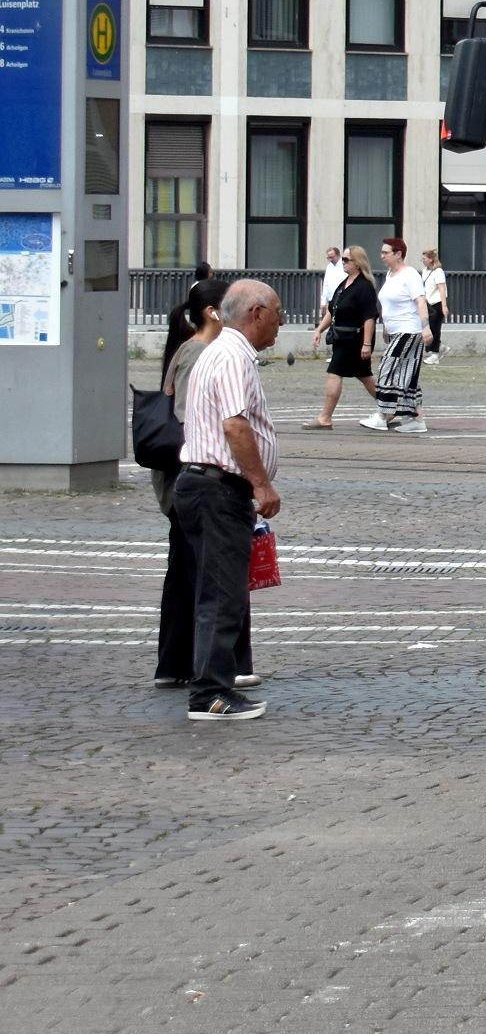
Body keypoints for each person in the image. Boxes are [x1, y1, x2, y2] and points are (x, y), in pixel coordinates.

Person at [173, 279, 285, 722]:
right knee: (222, 596)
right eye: (277, 312)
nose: (281, 322)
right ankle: (210, 695)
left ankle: (212, 686)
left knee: (214, 593)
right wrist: (261, 484)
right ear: (256, 313)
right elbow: (235, 426)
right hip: (218, 488)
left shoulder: (216, 351)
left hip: (202, 484)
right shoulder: (233, 356)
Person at [152, 279, 254, 693]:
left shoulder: (192, 350)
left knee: (192, 573)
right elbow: (198, 418)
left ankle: (180, 664)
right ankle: (210, 673)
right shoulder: (201, 353)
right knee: (210, 578)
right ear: (214, 312)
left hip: (190, 479)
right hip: (200, 478)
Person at [307, 248, 383, 430]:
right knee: (364, 375)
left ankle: (325, 417)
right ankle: (391, 406)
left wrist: (366, 344)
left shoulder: (364, 287)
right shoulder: (344, 284)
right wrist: (319, 329)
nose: (343, 262)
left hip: (355, 339)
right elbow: (333, 311)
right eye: (343, 259)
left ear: (357, 262)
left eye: (347, 259)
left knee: (334, 372)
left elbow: (369, 317)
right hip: (342, 337)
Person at [368, 238, 428, 434]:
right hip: (396, 331)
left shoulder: (410, 275)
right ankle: (417, 419)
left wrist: (425, 327)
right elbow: (389, 304)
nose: (382, 256)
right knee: (406, 376)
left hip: (409, 330)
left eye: (385, 252)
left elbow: (420, 301)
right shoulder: (390, 274)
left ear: (398, 254)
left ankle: (382, 415)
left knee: (387, 368)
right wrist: (386, 326)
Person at [311, 245, 345, 360]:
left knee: (340, 326)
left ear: (338, 255)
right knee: (333, 327)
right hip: (331, 299)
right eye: (328, 257)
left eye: (332, 257)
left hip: (341, 299)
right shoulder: (329, 267)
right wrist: (323, 301)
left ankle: (340, 353)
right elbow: (326, 285)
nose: (330, 260)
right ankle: (335, 353)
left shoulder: (343, 266)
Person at [419, 248, 449, 365]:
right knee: (428, 327)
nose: (423, 261)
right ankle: (440, 347)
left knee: (434, 328)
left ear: (431, 259)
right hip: (428, 303)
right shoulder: (425, 271)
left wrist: (444, 306)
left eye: (425, 259)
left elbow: (441, 289)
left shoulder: (438, 272)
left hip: (437, 303)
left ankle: (435, 353)